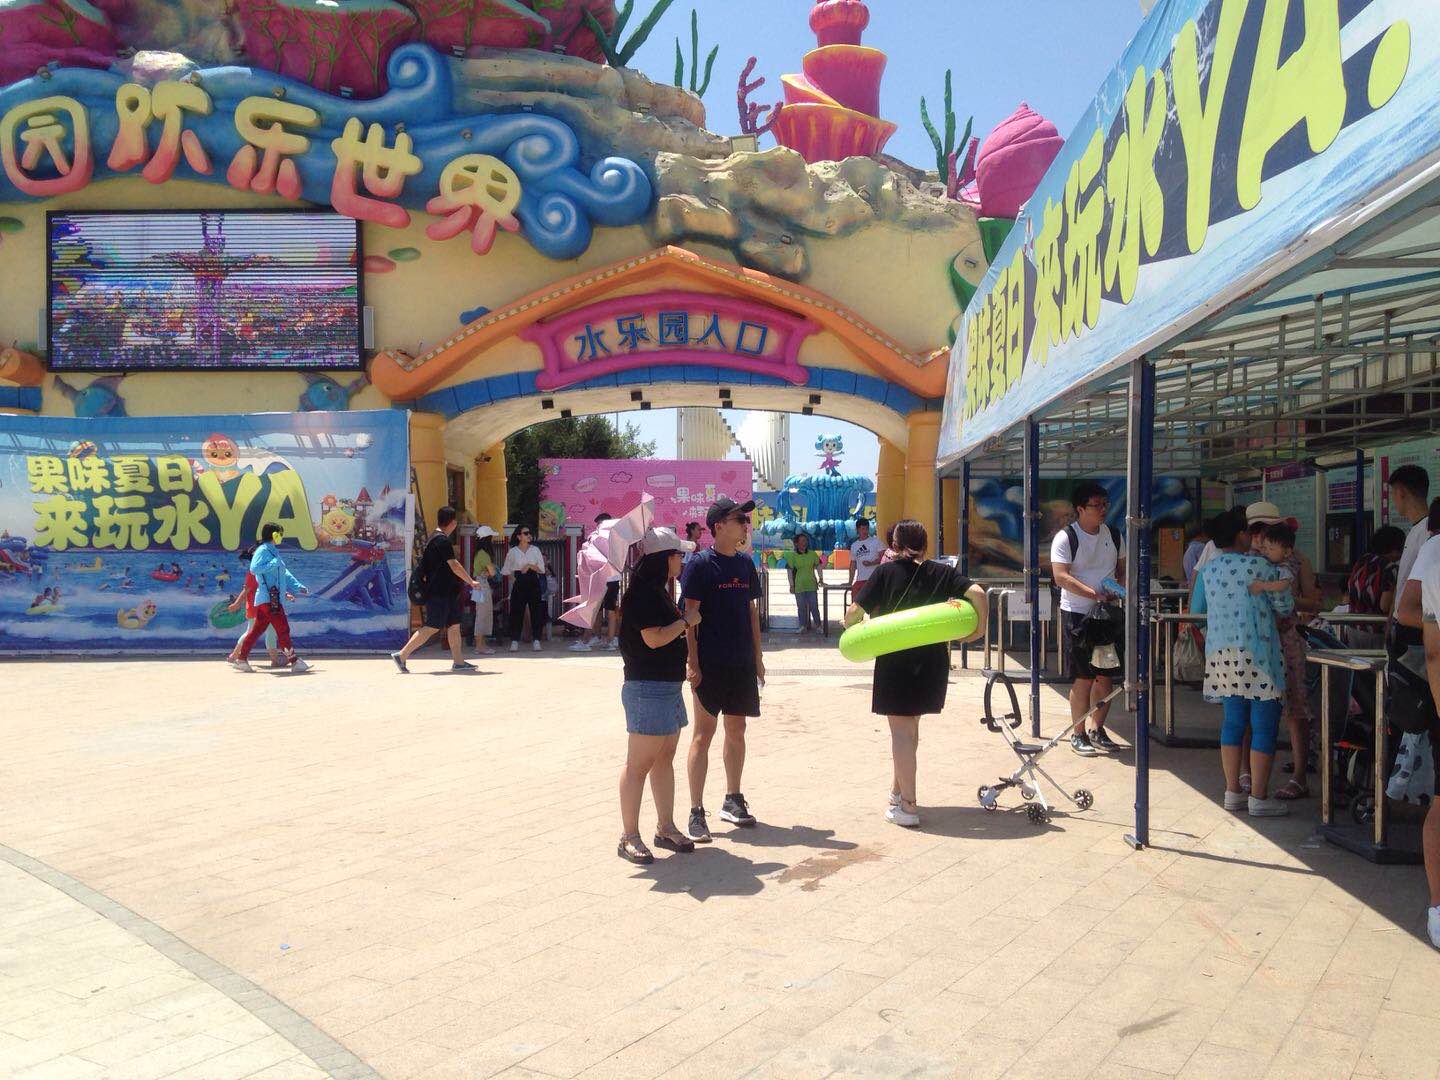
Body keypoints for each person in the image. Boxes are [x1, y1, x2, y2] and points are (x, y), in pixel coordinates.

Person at [845, 520, 987, 828]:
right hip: (932, 662)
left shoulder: (885, 572)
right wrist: (979, 630)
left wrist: (850, 629)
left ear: (894, 546)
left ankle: (908, 807)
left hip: (896, 661)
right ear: (925, 545)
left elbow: (855, 612)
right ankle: (897, 793)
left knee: (901, 733)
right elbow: (977, 593)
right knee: (911, 731)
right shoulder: (942, 572)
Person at [1189, 509, 1293, 817]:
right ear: (1240, 535)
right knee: (1264, 724)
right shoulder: (1261, 567)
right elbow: (1284, 607)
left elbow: (1197, 609)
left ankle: (1232, 791)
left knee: (1233, 722)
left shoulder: (1209, 570)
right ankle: (1259, 796)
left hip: (1222, 657)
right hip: (1259, 656)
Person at [616, 527, 702, 864]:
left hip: (667, 687)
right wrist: (686, 622)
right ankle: (629, 836)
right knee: (639, 765)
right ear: (664, 558)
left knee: (664, 758)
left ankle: (665, 827)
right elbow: (653, 639)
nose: (682, 560)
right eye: (678, 554)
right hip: (646, 688)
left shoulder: (658, 591)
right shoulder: (642, 594)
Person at [681, 495, 763, 840]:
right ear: (719, 526)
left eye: (745, 520)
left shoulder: (745, 564)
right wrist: (692, 662)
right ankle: (696, 811)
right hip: (709, 664)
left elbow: (751, 612)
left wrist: (758, 658)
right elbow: (690, 617)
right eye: (739, 520)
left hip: (740, 663)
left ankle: (733, 799)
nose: (745, 525)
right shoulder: (700, 565)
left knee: (737, 729)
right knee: (703, 735)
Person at [1051, 482, 1125, 756]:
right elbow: (1061, 576)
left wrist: (1117, 589)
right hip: (1078, 615)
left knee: (1105, 677)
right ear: (1080, 509)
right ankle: (1078, 733)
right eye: (1096, 505)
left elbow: (1122, 569)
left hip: (1106, 616)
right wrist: (1093, 594)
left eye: (1105, 504)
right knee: (1083, 677)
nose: (1103, 510)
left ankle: (1097, 729)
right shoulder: (1066, 537)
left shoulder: (1114, 535)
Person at [1249, 522, 1314, 798]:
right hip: (1262, 641)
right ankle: (1250, 774)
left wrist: (1286, 598)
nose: (1261, 542)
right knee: (1256, 707)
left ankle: (1299, 775)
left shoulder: (1298, 561)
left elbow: (1314, 602)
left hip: (1287, 640)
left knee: (1296, 708)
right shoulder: (1249, 561)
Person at [391, 505, 478, 673]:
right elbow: (454, 564)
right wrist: (470, 581)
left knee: (454, 625)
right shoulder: (441, 540)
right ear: (452, 523)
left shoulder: (435, 538)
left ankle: (459, 662)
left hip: (447, 592)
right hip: (439, 593)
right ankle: (402, 655)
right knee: (432, 626)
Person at [233, 523, 311, 673]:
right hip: (270, 599)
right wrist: (273, 563)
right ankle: (295, 661)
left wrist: (298, 586)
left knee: (256, 631)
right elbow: (254, 569)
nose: (281, 536)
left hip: (270, 599)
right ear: (274, 535)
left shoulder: (273, 551)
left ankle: (241, 660)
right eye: (280, 534)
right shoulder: (263, 550)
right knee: (283, 629)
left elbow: (284, 573)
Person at [1346, 525, 1405, 649]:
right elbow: (1384, 606)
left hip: (1353, 627)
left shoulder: (1361, 562)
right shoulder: (1390, 568)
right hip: (1376, 630)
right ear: (1394, 548)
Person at [573, 512, 622, 652]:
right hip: (597, 578)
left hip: (610, 578)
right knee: (596, 609)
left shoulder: (614, 538)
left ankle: (608, 640)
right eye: (598, 523)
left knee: (609, 609)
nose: (598, 526)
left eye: (601, 523)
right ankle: (597, 636)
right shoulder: (595, 537)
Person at [1389, 465, 1431, 625]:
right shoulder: (1416, 529)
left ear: (1401, 493)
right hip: (1404, 620)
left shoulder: (1428, 531)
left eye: (1393, 494)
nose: (1393, 501)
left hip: (1415, 624)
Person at [225, 546, 280, 669]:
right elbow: (247, 590)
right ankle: (235, 656)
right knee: (254, 632)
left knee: (267, 632)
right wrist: (237, 604)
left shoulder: (264, 571)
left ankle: (274, 660)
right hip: (257, 608)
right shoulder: (254, 572)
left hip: (266, 607)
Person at [502, 524, 547, 652]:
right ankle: (514, 640)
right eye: (525, 533)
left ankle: (536, 640)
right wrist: (514, 579)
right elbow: (506, 570)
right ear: (519, 536)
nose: (528, 535)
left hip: (533, 581)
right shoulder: (513, 552)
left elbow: (542, 569)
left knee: (536, 611)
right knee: (516, 611)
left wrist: (529, 566)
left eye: (529, 533)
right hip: (519, 582)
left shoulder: (535, 550)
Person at [784, 531, 822, 633]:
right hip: (799, 585)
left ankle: (818, 625)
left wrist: (821, 578)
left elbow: (818, 566)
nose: (804, 543)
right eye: (801, 541)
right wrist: (791, 585)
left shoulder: (812, 554)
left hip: (811, 585)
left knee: (814, 606)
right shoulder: (793, 556)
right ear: (796, 543)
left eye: (805, 540)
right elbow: (789, 571)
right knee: (801, 607)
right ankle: (802, 626)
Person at [470, 525, 499, 655]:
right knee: (483, 614)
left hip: (478, 584)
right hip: (482, 585)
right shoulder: (484, 554)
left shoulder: (478, 553)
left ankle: (481, 644)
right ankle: (479, 646)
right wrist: (490, 571)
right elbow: (493, 572)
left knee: (481, 614)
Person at [849, 517, 884, 595]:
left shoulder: (876, 541)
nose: (865, 531)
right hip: (860, 580)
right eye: (862, 529)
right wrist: (850, 582)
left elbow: (884, 558)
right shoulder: (854, 545)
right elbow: (853, 564)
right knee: (855, 601)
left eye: (866, 529)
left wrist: (872, 563)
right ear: (857, 529)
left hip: (874, 580)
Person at [1183, 522, 1211, 587]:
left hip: (1191, 584)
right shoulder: (1200, 547)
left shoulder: (1189, 550)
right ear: (1200, 535)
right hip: (1200, 584)